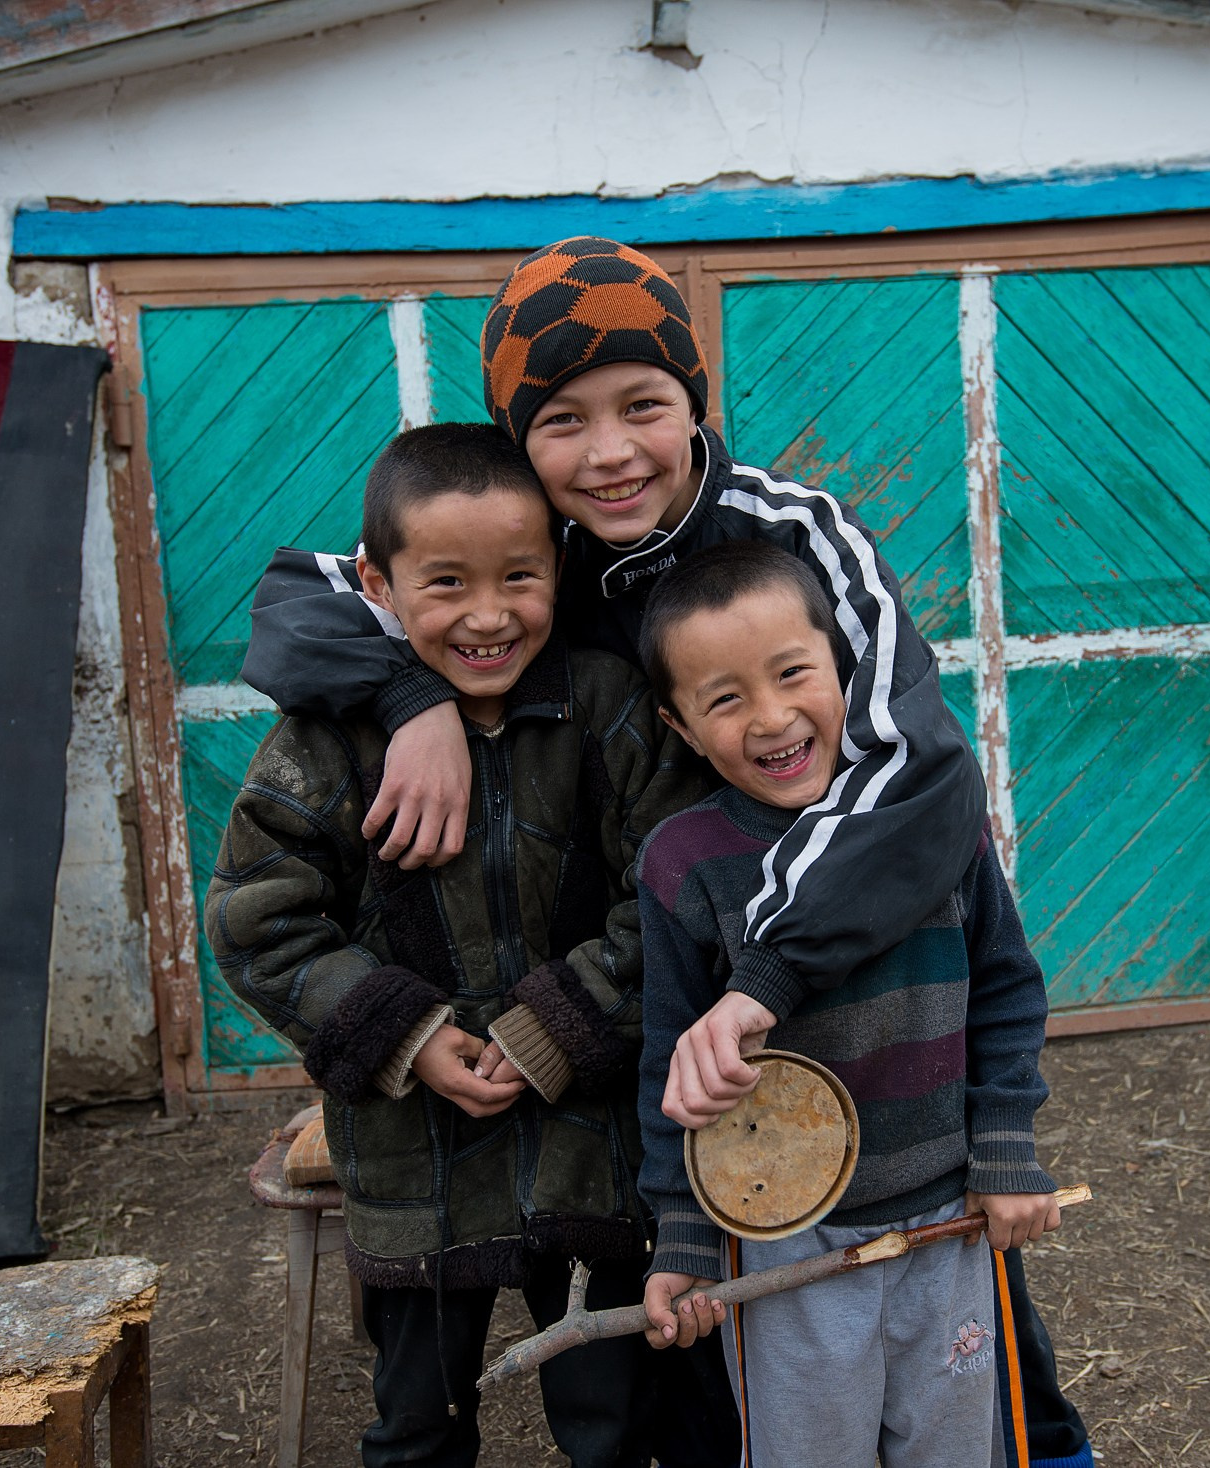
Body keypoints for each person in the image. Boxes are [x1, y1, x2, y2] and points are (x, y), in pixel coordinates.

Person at [240, 235, 1097, 1468]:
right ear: (516, 439)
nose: (609, 452)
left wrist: (768, 975)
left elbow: (917, 769)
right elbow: (300, 592)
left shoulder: (798, 536)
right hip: (676, 987)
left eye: (644, 405)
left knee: (960, 1301)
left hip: (863, 971)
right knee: (716, 1323)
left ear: (697, 401)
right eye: (562, 421)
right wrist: (406, 698)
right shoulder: (540, 550)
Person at [205, 423, 709, 1468]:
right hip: (411, 1163)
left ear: (560, 566)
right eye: (445, 583)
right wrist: (411, 1035)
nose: (489, 614)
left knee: (615, 1421)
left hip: (588, 1147)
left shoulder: (609, 711)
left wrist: (549, 1031)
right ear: (375, 584)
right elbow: (260, 919)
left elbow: (674, 893)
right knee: (416, 1429)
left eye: (520, 575)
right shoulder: (323, 742)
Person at [631, 540, 1062, 1468]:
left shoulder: (935, 818)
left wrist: (1006, 1151)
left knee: (952, 1446)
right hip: (784, 1243)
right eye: (726, 698)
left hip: (947, 1217)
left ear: (850, 670)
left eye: (794, 674)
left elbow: (1007, 990)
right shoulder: (683, 865)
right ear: (680, 727)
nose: (773, 717)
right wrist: (686, 1239)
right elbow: (672, 1060)